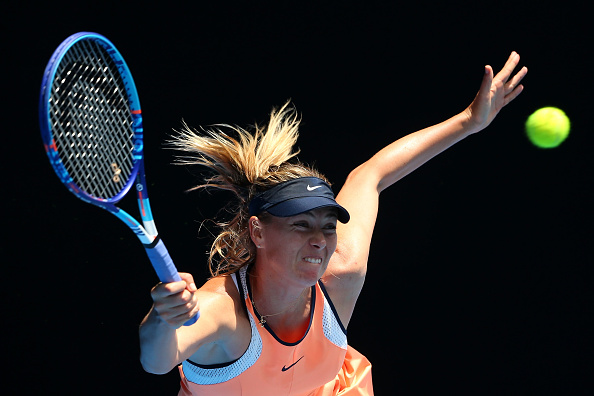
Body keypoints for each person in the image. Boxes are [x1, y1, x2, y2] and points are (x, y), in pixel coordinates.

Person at [139, 52, 528, 395]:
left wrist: (468, 122)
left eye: (328, 225)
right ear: (258, 231)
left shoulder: (341, 272)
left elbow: (371, 174)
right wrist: (163, 316)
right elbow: (157, 360)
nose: (320, 240)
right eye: (301, 225)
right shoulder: (224, 311)